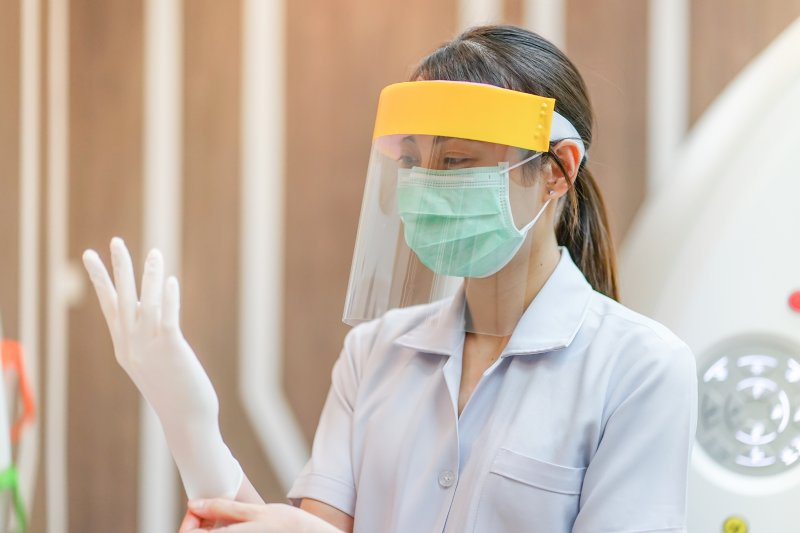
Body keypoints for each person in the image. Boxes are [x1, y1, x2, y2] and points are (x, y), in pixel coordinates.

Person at [83, 25, 697, 533]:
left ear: (558, 170)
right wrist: (192, 426)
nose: (426, 185)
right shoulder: (374, 354)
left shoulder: (639, 370)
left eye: (455, 161)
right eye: (411, 162)